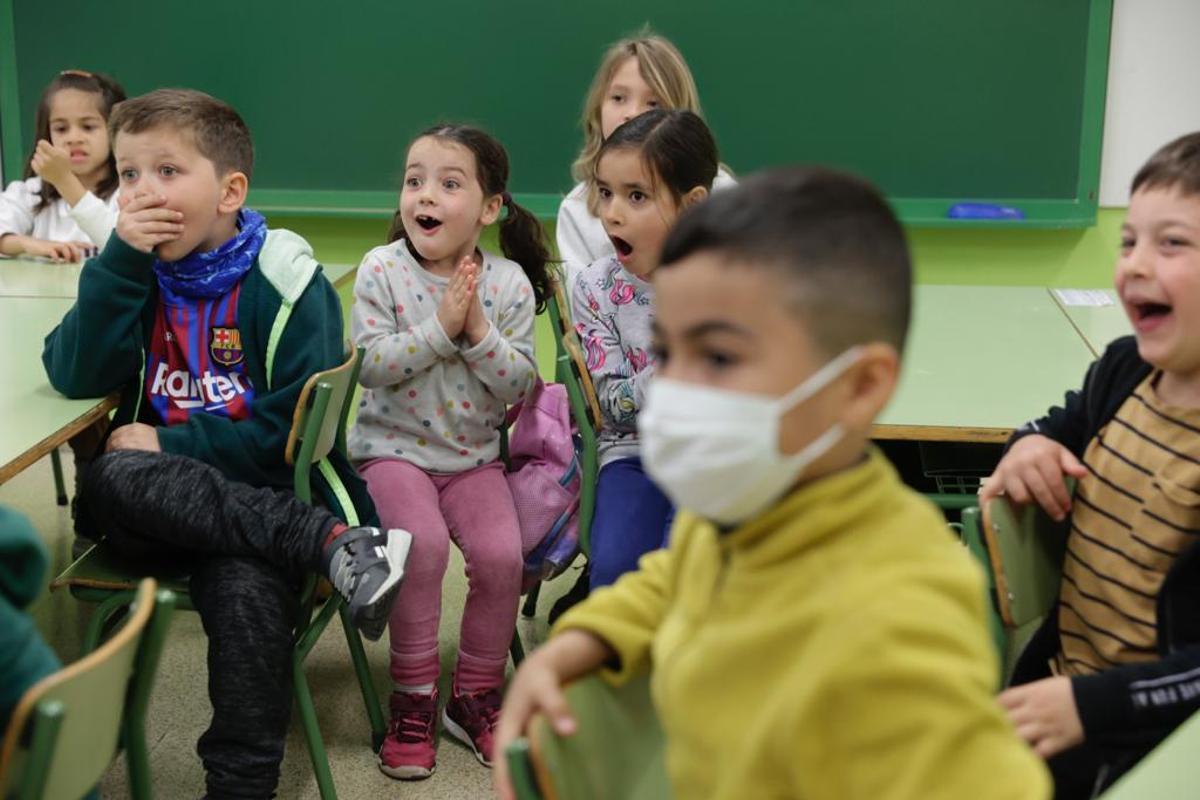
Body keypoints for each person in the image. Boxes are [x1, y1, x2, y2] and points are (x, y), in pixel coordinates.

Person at [497, 166, 1050, 799]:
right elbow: (675, 581)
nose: (675, 388)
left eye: (722, 357)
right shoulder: (742, 504)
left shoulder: (903, 615)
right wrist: (580, 643)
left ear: (859, 385)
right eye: (669, 353)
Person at [42, 88, 410, 800]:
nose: (143, 192)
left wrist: (171, 443)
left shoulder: (287, 282)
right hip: (166, 513)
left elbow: (286, 433)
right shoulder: (132, 267)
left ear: (231, 190)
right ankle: (330, 542)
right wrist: (117, 260)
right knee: (113, 475)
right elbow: (73, 374)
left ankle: (241, 787)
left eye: (168, 172)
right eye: (128, 176)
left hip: (255, 505)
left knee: (245, 597)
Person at [982, 131, 1200, 797]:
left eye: (1172, 244)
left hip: (1149, 739)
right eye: (1129, 240)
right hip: (1055, 689)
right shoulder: (1125, 367)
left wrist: (1093, 707)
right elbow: (1055, 424)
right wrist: (1028, 445)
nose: (1134, 264)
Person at [347, 124, 550, 778]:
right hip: (391, 453)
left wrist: (478, 330)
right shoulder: (382, 269)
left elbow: (521, 386)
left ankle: (475, 696)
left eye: (448, 183)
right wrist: (440, 329)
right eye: (413, 180)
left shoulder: (512, 285)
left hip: (471, 461)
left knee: (501, 556)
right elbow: (371, 366)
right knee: (422, 548)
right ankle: (413, 697)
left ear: (490, 209)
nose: (423, 196)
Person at [571, 108, 716, 589]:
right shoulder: (595, 288)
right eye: (606, 192)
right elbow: (612, 405)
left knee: (691, 561)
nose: (612, 212)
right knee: (613, 571)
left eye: (637, 196)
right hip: (634, 452)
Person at [555, 31, 734, 285]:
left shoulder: (723, 195)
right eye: (618, 98)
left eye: (653, 103)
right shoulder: (577, 211)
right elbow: (584, 312)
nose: (632, 113)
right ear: (598, 109)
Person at [0, 69, 123, 261]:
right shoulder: (33, 192)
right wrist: (29, 244)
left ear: (115, 131)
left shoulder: (128, 194)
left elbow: (123, 248)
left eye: (88, 127)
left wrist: (64, 180)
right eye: (61, 129)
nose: (73, 138)